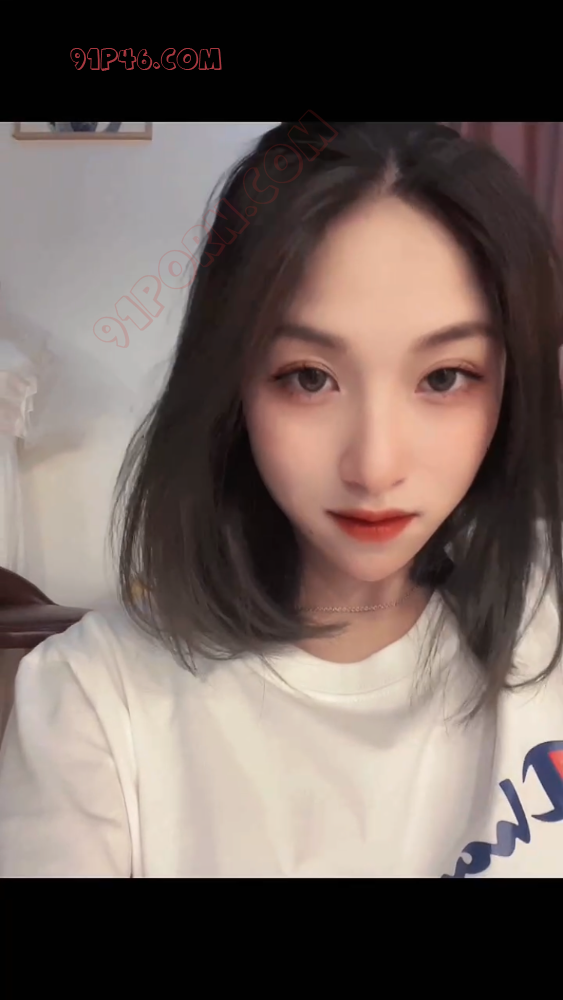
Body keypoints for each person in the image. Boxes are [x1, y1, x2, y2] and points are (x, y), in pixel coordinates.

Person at [1, 120, 563, 878]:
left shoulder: (546, 611)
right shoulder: (94, 701)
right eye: (309, 377)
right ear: (231, 385)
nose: (374, 466)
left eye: (443, 378)